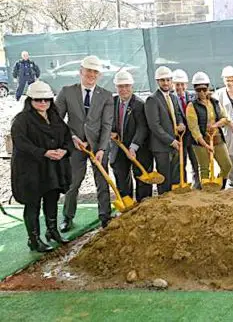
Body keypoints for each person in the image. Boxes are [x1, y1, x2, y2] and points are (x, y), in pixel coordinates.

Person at [11, 81, 72, 252]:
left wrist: (65, 151)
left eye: (46, 99)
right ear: (30, 100)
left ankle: (52, 231)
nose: (43, 103)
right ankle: (34, 239)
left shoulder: (55, 118)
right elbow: (22, 143)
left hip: (52, 169)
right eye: (38, 100)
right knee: (33, 203)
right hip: (31, 170)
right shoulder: (22, 121)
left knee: (52, 198)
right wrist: (43, 152)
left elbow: (67, 137)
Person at [55, 55, 114, 231]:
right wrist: (71, 137)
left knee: (102, 182)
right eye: (88, 70)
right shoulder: (67, 92)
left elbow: (106, 124)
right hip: (75, 146)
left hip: (98, 147)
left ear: (99, 75)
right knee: (73, 183)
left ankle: (105, 215)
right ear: (81, 71)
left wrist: (102, 149)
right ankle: (67, 216)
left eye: (95, 72)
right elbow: (57, 120)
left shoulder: (106, 96)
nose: (91, 74)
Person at [109, 71, 153, 202]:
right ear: (116, 87)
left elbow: (142, 128)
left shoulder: (139, 104)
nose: (123, 89)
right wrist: (110, 132)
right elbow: (107, 121)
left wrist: (133, 147)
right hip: (119, 147)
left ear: (131, 86)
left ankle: (143, 207)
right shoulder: (112, 102)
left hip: (139, 149)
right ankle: (127, 205)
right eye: (120, 86)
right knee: (121, 177)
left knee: (141, 179)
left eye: (126, 86)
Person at [187, 72, 232, 188]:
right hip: (200, 143)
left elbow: (225, 118)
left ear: (208, 87)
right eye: (198, 90)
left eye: (204, 89)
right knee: (204, 168)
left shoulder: (215, 102)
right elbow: (194, 130)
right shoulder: (191, 106)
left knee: (227, 165)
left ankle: (219, 185)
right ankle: (206, 193)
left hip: (217, 139)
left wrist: (215, 125)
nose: (201, 92)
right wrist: (206, 145)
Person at [144, 66, 186, 195]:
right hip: (161, 147)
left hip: (174, 144)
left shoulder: (173, 97)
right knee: (164, 179)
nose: (166, 83)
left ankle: (174, 205)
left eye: (168, 80)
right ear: (157, 81)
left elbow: (178, 113)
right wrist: (171, 141)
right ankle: (164, 204)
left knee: (175, 177)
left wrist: (180, 123)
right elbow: (154, 126)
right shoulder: (152, 99)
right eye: (162, 80)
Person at [214, 66, 233, 189]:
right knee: (229, 154)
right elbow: (218, 113)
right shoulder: (219, 94)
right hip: (227, 129)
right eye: (228, 80)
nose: (230, 83)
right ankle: (232, 181)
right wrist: (230, 123)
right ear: (223, 80)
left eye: (232, 80)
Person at [172, 69, 200, 189]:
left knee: (196, 162)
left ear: (186, 85)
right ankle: (182, 184)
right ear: (173, 85)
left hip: (193, 136)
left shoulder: (193, 97)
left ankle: (197, 185)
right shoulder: (170, 99)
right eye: (177, 84)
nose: (180, 87)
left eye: (182, 84)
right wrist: (178, 125)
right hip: (180, 137)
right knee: (181, 163)